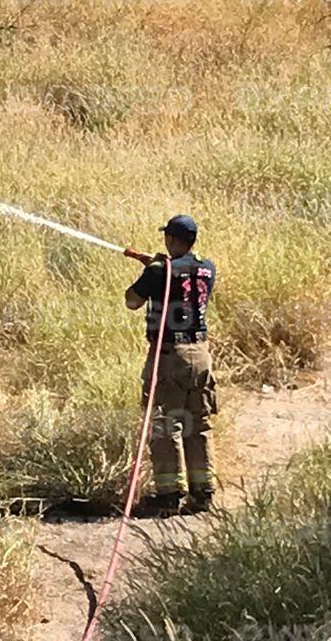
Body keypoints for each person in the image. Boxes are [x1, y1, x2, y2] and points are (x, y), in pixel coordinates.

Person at [125, 214, 217, 515]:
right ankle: (202, 494)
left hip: (170, 355)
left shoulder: (159, 272)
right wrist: (156, 267)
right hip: (201, 354)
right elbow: (181, 279)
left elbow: (132, 301)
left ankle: (169, 494)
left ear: (174, 240)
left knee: (166, 424)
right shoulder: (208, 268)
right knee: (199, 424)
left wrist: (152, 270)